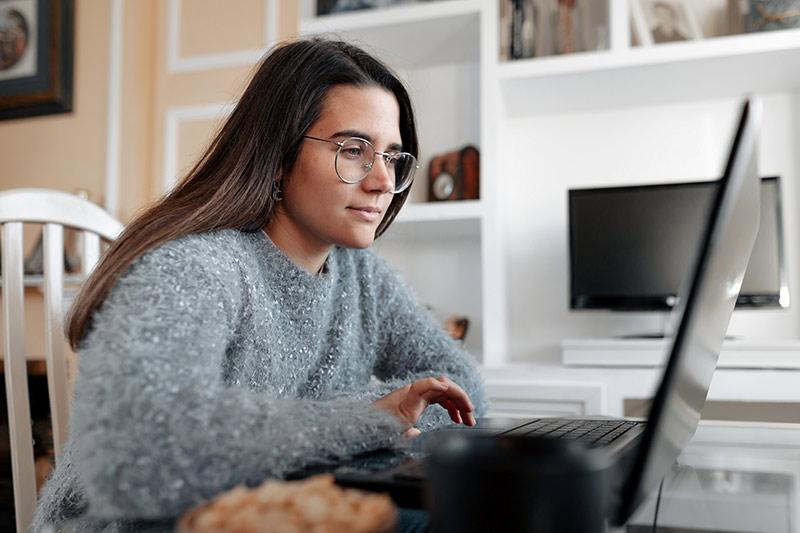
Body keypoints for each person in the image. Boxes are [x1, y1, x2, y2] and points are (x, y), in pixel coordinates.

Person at [33, 38, 486, 532]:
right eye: (354, 150)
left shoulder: (364, 278)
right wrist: (366, 419)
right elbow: (142, 449)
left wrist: (375, 421)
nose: (382, 180)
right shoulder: (197, 268)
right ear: (278, 154)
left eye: (394, 157)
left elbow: (463, 391)